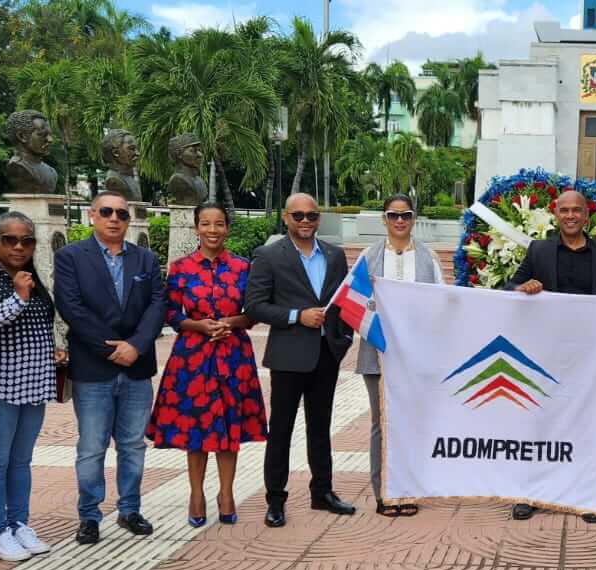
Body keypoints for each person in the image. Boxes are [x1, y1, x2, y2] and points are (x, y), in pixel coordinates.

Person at [508, 189, 596, 522]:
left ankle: (585, 497)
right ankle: (529, 493)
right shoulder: (539, 251)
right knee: (537, 425)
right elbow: (508, 288)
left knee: (587, 429)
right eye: (565, 210)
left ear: (586, 216)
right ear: (556, 214)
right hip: (543, 358)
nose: (571, 216)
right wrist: (523, 288)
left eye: (577, 210)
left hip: (590, 362)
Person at [54, 191, 165, 545]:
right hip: (92, 368)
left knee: (133, 445)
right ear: (92, 215)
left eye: (121, 213)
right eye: (106, 211)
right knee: (91, 447)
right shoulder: (71, 257)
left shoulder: (146, 259)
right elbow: (71, 307)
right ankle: (89, 515)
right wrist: (111, 349)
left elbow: (157, 304)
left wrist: (136, 346)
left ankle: (129, 509)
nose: (114, 218)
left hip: (137, 367)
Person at [147, 203, 267, 527]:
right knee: (196, 428)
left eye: (218, 224)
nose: (212, 230)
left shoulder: (244, 267)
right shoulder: (181, 267)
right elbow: (172, 313)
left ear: (227, 228)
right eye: (205, 224)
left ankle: (226, 493)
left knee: (229, 425)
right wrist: (199, 326)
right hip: (193, 357)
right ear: (196, 228)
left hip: (233, 355)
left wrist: (230, 322)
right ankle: (196, 493)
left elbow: (255, 312)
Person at [245, 193, 356, 528]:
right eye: (298, 216)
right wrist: (296, 316)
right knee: (281, 429)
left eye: (311, 216)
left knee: (320, 428)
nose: (305, 222)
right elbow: (254, 305)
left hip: (326, 355)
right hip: (288, 356)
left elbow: (344, 303)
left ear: (318, 218)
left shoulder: (335, 256)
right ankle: (275, 500)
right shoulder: (268, 256)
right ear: (285, 217)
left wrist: (343, 340)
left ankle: (322, 492)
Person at [0, 212, 64, 562]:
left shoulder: (31, 276)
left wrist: (52, 347)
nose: (19, 246)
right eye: (10, 239)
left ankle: (19, 523)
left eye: (27, 240)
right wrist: (18, 298)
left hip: (33, 384)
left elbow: (40, 321)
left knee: (21, 461)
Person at [357, 194, 444, 518]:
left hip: (415, 356)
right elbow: (355, 300)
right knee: (381, 422)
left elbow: (440, 304)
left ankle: (408, 490)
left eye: (405, 215)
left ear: (413, 217)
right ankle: (383, 493)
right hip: (377, 352)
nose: (399, 221)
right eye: (393, 216)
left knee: (411, 422)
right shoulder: (368, 257)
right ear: (384, 219)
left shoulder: (428, 258)